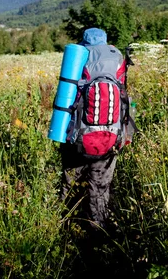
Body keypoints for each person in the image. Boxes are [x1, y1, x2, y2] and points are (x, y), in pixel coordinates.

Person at [60, 28, 131, 231]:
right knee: (100, 185)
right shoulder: (116, 56)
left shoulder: (79, 56)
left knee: (71, 180)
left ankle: (67, 227)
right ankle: (98, 230)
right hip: (111, 134)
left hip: (78, 136)